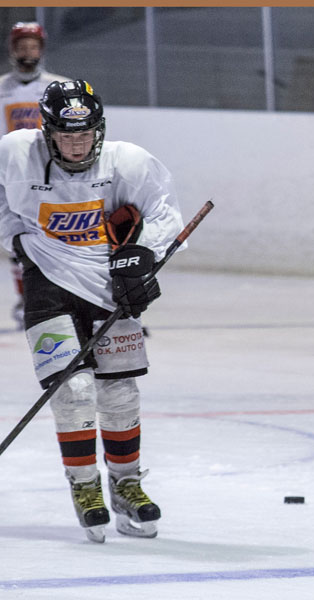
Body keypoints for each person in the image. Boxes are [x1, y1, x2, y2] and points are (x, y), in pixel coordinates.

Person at [0, 80, 183, 543]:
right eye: (65, 135)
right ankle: (85, 488)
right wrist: (16, 239)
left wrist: (139, 259)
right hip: (46, 280)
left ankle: (127, 486)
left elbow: (164, 212)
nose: (77, 144)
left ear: (99, 130)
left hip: (107, 285)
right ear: (47, 131)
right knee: (72, 390)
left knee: (120, 390)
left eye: (85, 134)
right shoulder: (15, 152)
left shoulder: (129, 161)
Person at [0, 22, 69, 329]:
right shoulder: (2, 89)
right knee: (18, 238)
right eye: (21, 46)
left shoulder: (59, 87)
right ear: (12, 50)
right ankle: (27, 299)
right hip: (10, 175)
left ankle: (61, 292)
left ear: (41, 50)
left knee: (56, 234)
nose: (27, 52)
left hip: (49, 174)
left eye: (32, 46)